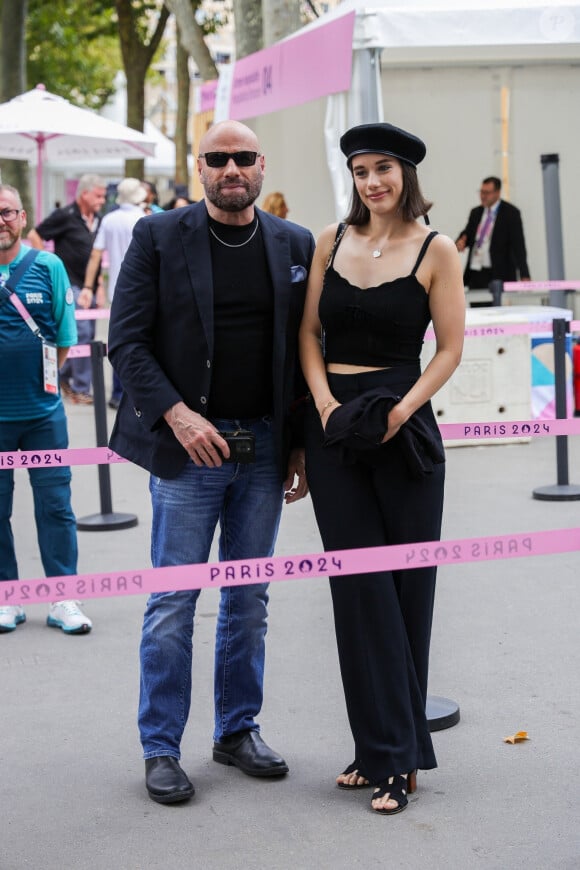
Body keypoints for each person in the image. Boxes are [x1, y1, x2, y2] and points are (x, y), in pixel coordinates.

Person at [108, 119, 315, 805]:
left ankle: (236, 731)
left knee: (248, 600)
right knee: (173, 601)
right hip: (187, 450)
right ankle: (161, 747)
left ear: (262, 164)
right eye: (218, 158)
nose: (232, 168)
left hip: (262, 451)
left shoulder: (294, 243)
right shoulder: (160, 237)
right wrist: (178, 414)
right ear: (200, 167)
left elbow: (304, 352)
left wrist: (299, 446)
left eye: (244, 157)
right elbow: (127, 343)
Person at [299, 122, 465, 816]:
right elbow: (309, 334)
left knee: (404, 591)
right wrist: (327, 408)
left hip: (404, 429)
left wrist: (401, 410)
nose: (373, 181)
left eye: (384, 169)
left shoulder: (436, 249)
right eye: (361, 170)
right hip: (336, 426)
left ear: (406, 176)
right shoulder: (327, 243)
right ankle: (379, 748)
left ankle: (395, 757)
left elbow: (450, 349)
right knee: (356, 588)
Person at [0, 184, 92, 635]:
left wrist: (45, 387)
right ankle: (8, 596)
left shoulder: (48, 265)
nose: (1, 221)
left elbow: (67, 336)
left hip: (42, 415)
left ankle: (63, 596)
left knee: (55, 506)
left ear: (23, 217)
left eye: (7, 212)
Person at [27, 174, 107, 404]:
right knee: (80, 332)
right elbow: (35, 234)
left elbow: (97, 257)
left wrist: (99, 286)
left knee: (88, 334)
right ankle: (81, 388)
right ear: (84, 194)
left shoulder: (98, 219)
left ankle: (67, 377)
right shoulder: (65, 215)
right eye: (98, 196)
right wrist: (46, 265)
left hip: (89, 285)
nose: (102, 200)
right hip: (69, 283)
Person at [82, 178, 147, 410]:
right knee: (143, 341)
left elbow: (96, 255)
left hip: (117, 289)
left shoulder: (109, 219)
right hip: (144, 287)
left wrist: (89, 286)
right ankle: (135, 394)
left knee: (120, 339)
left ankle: (118, 392)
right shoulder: (144, 218)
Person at [455, 176, 530, 302]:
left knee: (497, 312)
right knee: (478, 310)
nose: (483, 196)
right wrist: (460, 242)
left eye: (487, 193)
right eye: (481, 192)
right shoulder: (476, 212)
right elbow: (467, 234)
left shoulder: (511, 213)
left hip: (498, 273)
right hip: (476, 272)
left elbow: (519, 246)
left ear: (497, 193)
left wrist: (524, 274)